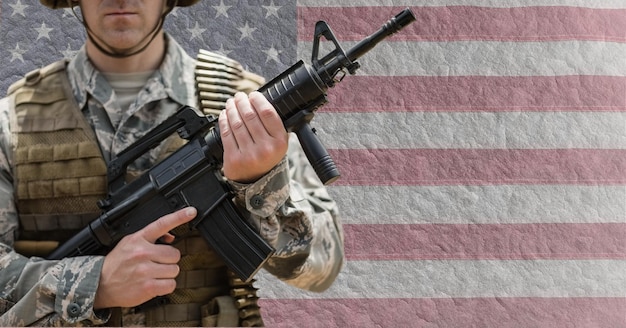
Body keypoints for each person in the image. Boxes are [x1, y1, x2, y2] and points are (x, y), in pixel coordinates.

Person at [0, 0, 344, 326]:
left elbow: (322, 267)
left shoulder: (242, 104)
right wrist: (93, 284)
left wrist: (262, 185)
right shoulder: (13, 121)